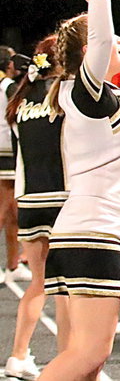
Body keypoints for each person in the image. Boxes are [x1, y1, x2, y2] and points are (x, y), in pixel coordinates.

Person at [38, 0, 120, 381]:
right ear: (90, 54)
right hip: (93, 232)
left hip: (84, 230)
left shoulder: (105, 102)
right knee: (88, 356)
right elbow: (101, 44)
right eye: (113, 41)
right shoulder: (85, 94)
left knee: (85, 360)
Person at [5, 38, 61, 380]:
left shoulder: (21, 99)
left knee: (39, 284)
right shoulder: (67, 96)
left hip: (29, 201)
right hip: (64, 200)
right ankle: (78, 362)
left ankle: (18, 355)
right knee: (71, 289)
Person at [0, 47, 24, 283]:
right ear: (9, 64)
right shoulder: (7, 87)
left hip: (5, 151)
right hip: (6, 151)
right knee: (5, 210)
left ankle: (13, 265)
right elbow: (17, 116)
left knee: (12, 214)